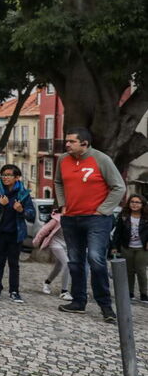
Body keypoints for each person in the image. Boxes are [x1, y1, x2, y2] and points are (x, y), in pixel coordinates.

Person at [55, 128, 126, 322]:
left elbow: (119, 187)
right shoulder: (63, 160)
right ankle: (78, 302)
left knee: (96, 259)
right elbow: (58, 182)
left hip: (97, 219)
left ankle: (106, 307)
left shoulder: (101, 159)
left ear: (84, 143)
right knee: (75, 261)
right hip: (71, 218)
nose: (67, 144)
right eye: (67, 141)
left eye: (71, 142)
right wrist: (62, 205)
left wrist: (103, 210)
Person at [0, 164, 35, 303]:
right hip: (0, 232)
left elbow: (31, 214)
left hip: (16, 233)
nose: (5, 177)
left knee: (14, 263)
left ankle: (14, 291)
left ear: (17, 177)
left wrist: (21, 210)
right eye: (3, 174)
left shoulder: (23, 193)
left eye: (8, 175)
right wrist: (0, 205)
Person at [112, 194, 148, 303]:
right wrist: (114, 246)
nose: (135, 204)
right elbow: (117, 233)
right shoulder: (124, 216)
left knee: (141, 270)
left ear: (142, 204)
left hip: (142, 248)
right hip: (126, 247)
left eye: (137, 202)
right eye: (132, 202)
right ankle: (130, 292)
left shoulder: (146, 217)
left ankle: (144, 293)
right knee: (129, 271)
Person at [34, 207, 71, 299]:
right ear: (61, 209)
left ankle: (46, 282)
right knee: (68, 264)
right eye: (66, 207)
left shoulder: (73, 219)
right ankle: (64, 292)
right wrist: (36, 242)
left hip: (66, 246)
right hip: (56, 244)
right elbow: (43, 231)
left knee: (58, 267)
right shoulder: (57, 219)